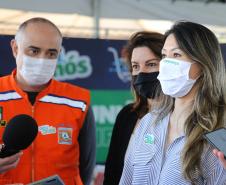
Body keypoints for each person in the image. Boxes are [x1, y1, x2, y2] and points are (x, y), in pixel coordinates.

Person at [119, 21, 226, 184]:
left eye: (176, 55)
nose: (166, 64)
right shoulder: (148, 123)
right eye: (164, 56)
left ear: (203, 64)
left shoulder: (218, 133)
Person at [0, 17, 95, 185]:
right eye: (34, 51)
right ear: (15, 48)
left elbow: (86, 167)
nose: (42, 59)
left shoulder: (78, 101)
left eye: (51, 53)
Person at [103, 31, 173, 185]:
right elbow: (112, 172)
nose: (142, 72)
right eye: (135, 66)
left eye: (151, 64)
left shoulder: (184, 117)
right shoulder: (128, 115)